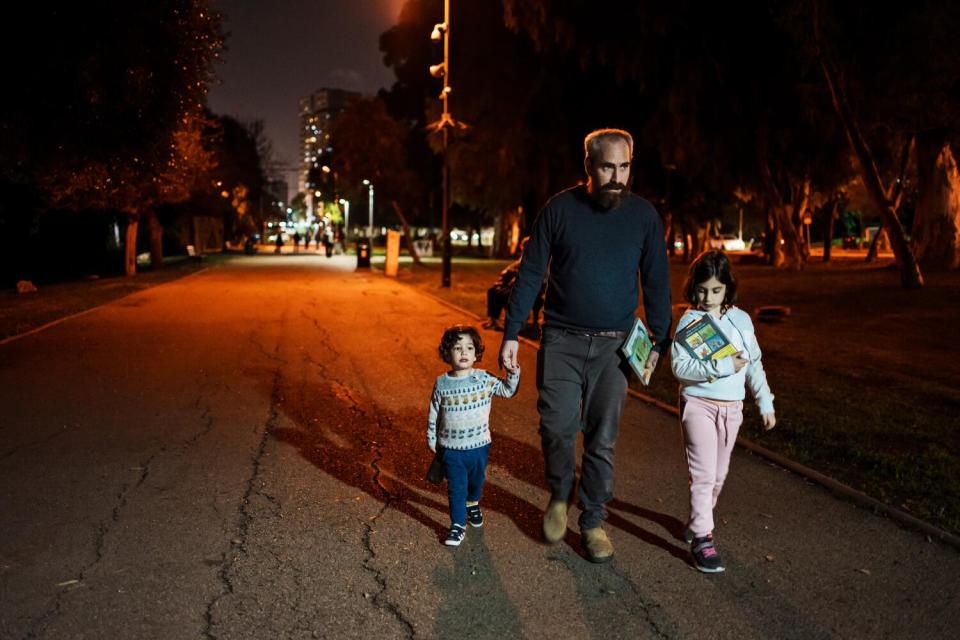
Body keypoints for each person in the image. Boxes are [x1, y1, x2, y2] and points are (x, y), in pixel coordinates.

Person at [499, 128, 672, 563]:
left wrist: (660, 338)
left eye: (624, 167)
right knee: (555, 426)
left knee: (602, 440)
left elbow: (655, 281)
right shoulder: (559, 210)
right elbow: (531, 273)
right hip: (562, 339)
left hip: (616, 347)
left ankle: (593, 521)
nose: (617, 177)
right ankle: (560, 490)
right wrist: (510, 335)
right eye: (607, 167)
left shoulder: (645, 217)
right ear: (588, 167)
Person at [671, 250, 776, 573]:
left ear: (727, 287)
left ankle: (697, 521)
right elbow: (679, 367)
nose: (707, 297)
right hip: (698, 404)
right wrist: (720, 365)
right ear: (694, 287)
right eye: (702, 290)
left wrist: (765, 401)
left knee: (718, 477)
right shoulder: (690, 322)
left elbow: (754, 364)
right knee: (703, 476)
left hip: (732, 409)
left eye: (715, 290)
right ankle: (703, 538)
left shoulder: (741, 320)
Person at [428, 325, 520, 547]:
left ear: (476, 352)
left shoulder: (483, 378)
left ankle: (473, 503)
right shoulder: (442, 383)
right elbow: (434, 410)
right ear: (447, 353)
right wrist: (432, 437)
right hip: (451, 448)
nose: (464, 352)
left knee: (476, 482)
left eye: (469, 347)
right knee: (456, 487)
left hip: (479, 446)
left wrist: (513, 372)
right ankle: (458, 525)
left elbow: (507, 390)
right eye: (457, 348)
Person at [484, 237, 545, 331]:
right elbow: (511, 267)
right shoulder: (524, 257)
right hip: (517, 285)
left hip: (530, 288)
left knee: (505, 295)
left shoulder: (539, 258)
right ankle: (493, 320)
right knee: (493, 291)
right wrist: (510, 272)